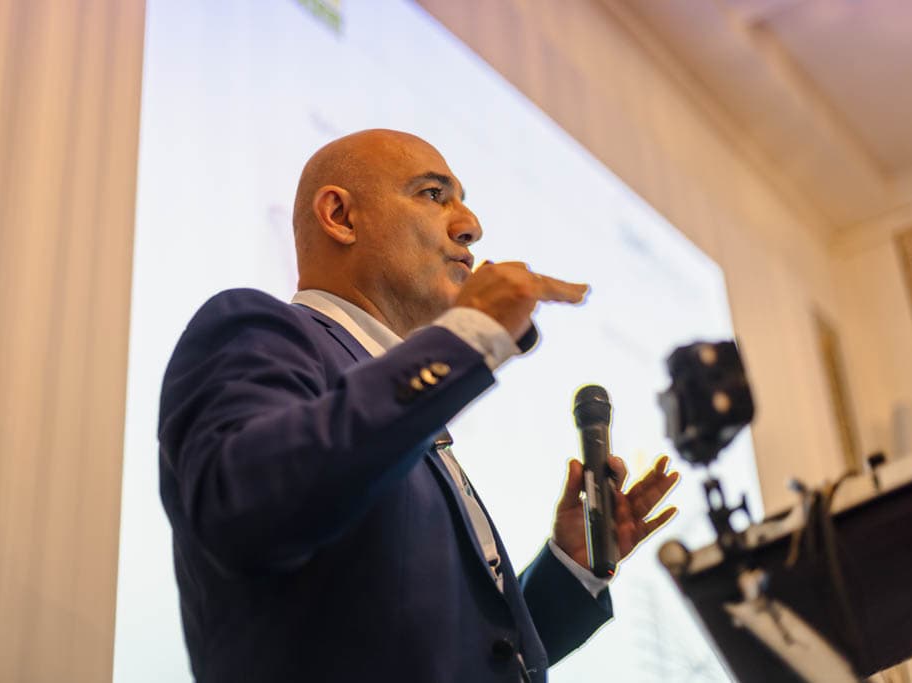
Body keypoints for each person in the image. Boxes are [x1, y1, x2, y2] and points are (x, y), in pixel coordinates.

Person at [158, 129, 679, 682]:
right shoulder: (255, 328)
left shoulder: (397, 398)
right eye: (434, 194)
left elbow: (463, 657)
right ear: (340, 216)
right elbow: (246, 510)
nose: (470, 225)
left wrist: (571, 565)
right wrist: (468, 336)